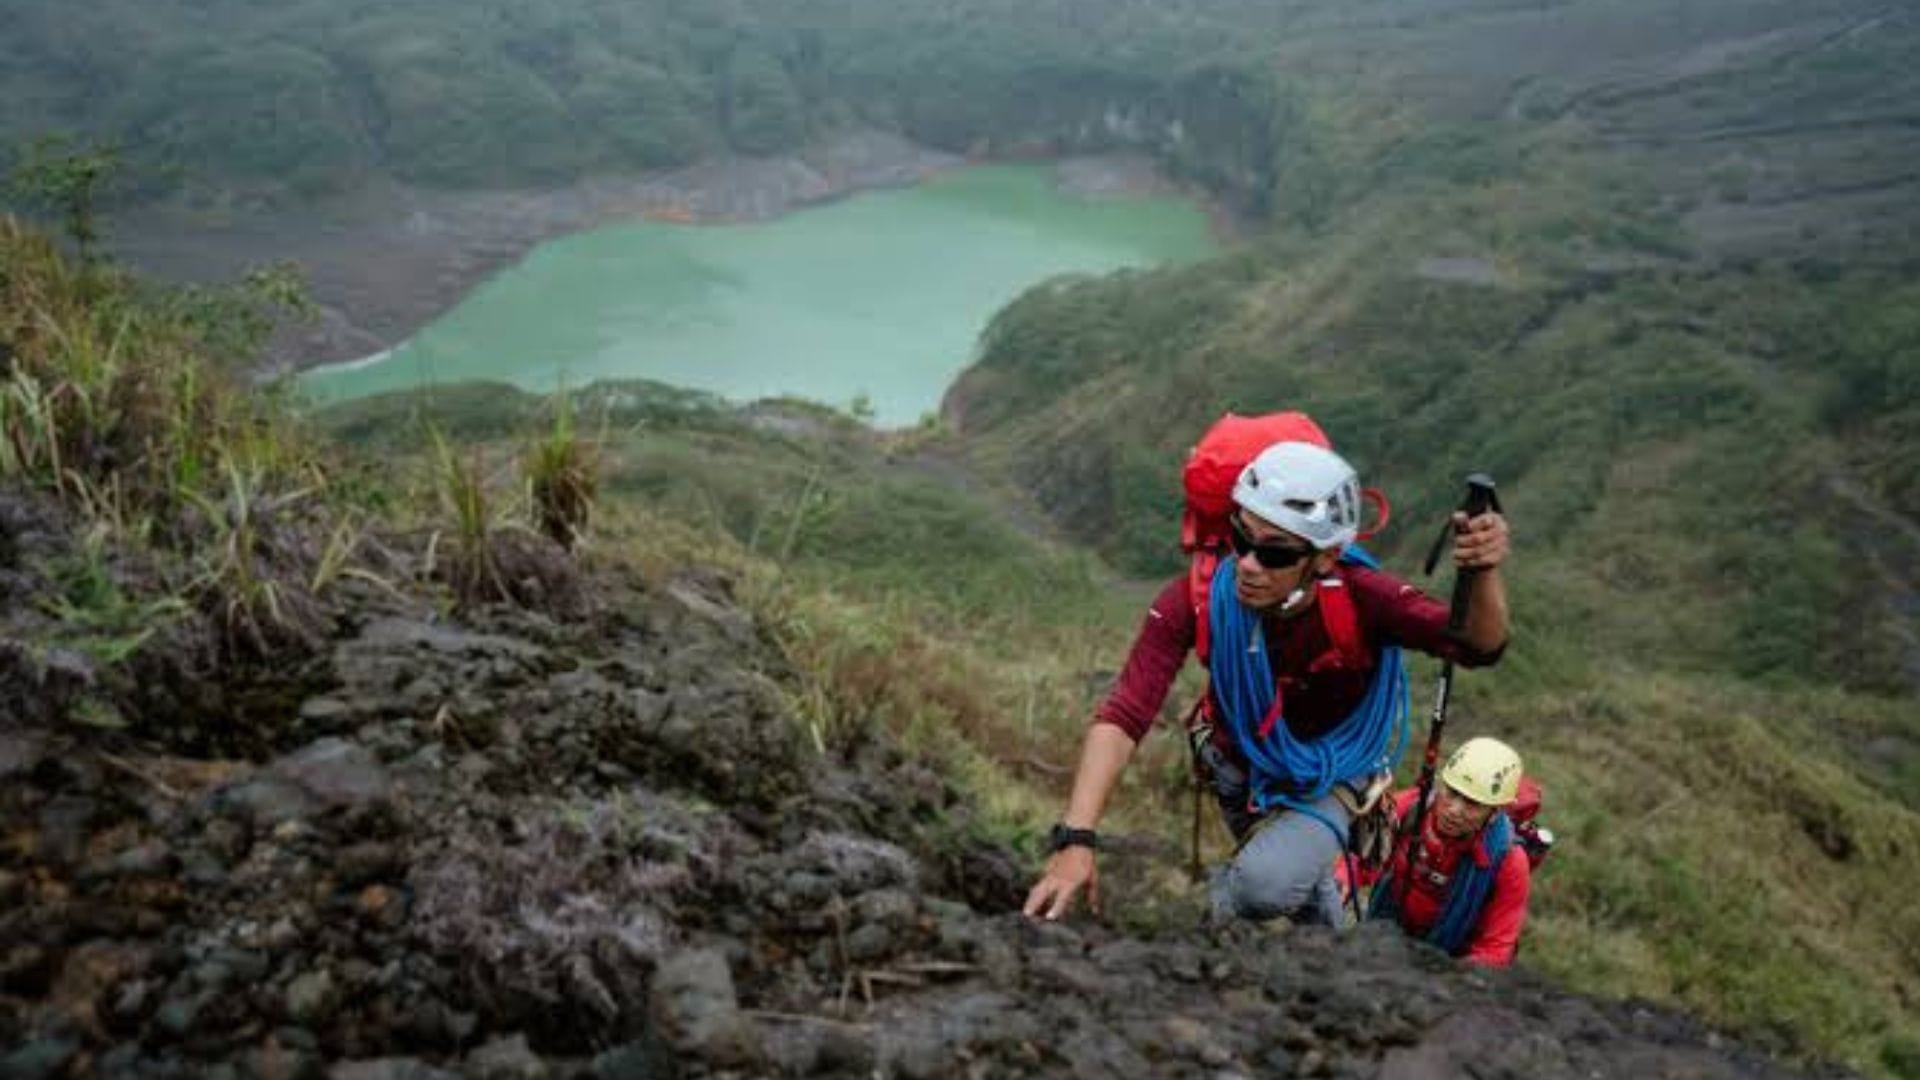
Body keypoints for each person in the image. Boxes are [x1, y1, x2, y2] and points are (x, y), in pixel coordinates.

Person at [1022, 439, 1510, 925]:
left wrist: (1483, 569)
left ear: (1324, 557)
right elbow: (1126, 712)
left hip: (1333, 776)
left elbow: (1477, 646)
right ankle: (1335, 963)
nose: (1250, 565)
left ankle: (1202, 920)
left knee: (1263, 886)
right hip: (1240, 769)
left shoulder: (1361, 600)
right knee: (1302, 895)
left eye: (1275, 554)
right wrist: (1076, 839)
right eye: (1241, 540)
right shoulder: (1199, 597)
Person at [1362, 736, 1533, 966]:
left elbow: (1496, 947)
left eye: (1472, 803)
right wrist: (1339, 884)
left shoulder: (1509, 861)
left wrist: (1448, 980)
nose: (1454, 810)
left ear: (1494, 811)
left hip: (1453, 961)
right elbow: (1358, 859)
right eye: (1451, 792)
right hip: (1387, 934)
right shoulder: (1410, 808)